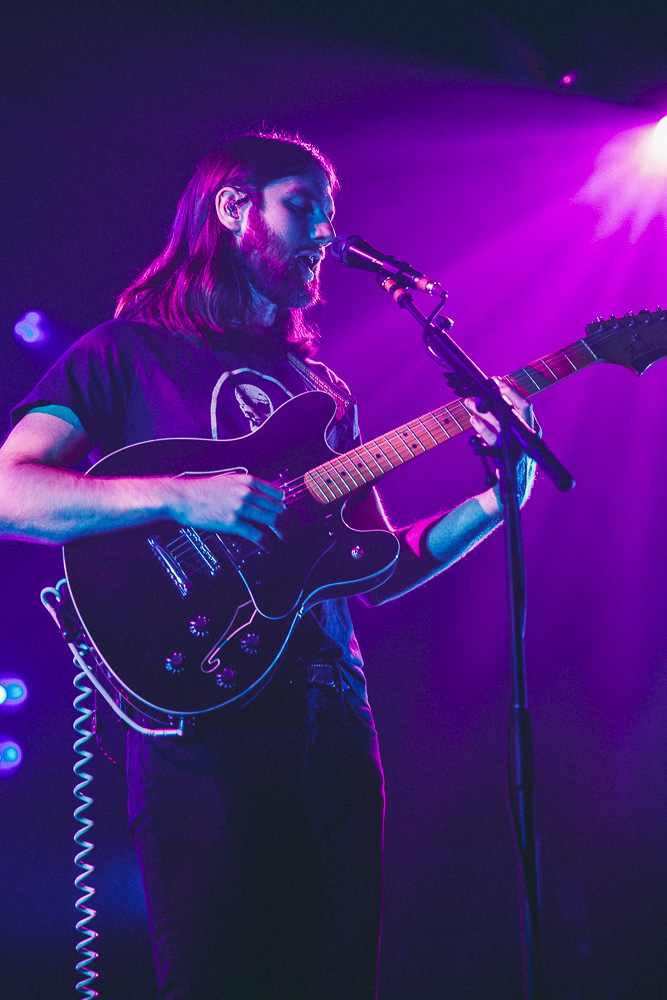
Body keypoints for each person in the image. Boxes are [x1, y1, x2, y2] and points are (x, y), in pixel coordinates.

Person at [0, 132, 534, 1000]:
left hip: (333, 720)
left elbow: (381, 567)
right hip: (201, 725)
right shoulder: (122, 353)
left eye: (330, 214)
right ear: (232, 207)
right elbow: (9, 492)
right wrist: (178, 497)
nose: (325, 231)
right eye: (303, 206)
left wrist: (493, 503)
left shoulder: (319, 389)